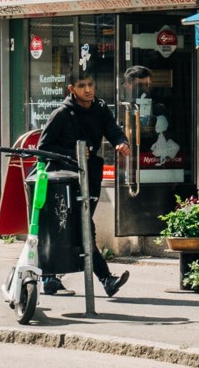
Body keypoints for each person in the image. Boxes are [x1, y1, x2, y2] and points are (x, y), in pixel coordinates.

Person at [33, 72, 128, 299]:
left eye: (91, 84)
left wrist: (121, 142)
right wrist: (73, 153)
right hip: (63, 181)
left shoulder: (100, 109)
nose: (88, 90)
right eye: (82, 85)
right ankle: (105, 279)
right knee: (79, 227)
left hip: (90, 177)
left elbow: (112, 130)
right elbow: (42, 148)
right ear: (71, 89)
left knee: (80, 227)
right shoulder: (61, 114)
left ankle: (50, 278)